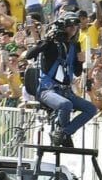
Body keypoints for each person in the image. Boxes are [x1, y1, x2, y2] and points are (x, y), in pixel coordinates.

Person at [25, 13, 96, 147]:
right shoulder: (52, 42)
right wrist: (46, 40)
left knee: (91, 109)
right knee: (66, 105)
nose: (73, 29)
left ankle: (63, 133)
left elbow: (77, 72)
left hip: (66, 91)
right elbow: (29, 55)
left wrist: (80, 61)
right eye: (69, 26)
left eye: (75, 26)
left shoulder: (75, 46)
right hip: (47, 89)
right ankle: (63, 135)